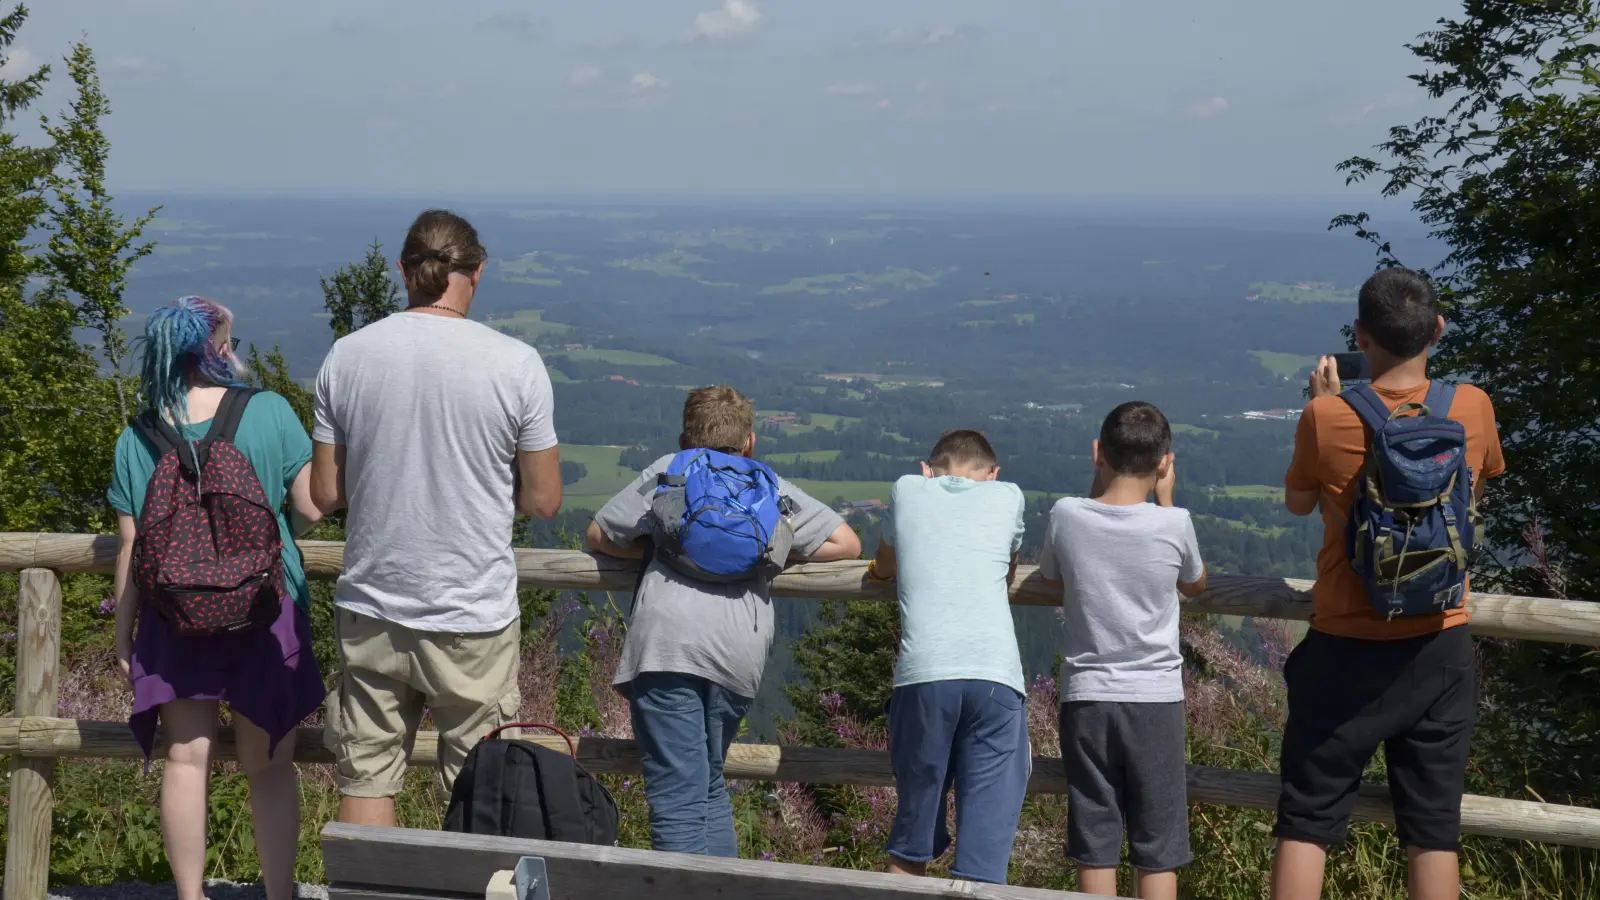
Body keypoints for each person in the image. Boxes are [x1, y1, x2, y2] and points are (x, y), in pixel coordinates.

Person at [311, 209, 563, 826]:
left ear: (404, 271)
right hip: (471, 610)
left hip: (373, 601)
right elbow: (544, 500)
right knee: (486, 784)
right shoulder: (516, 364)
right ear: (476, 273)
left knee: (367, 774)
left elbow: (325, 490)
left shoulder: (347, 356)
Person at [1272, 267, 1505, 900]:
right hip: (1440, 643)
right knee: (1433, 832)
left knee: (1307, 820)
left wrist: (1320, 405)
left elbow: (1298, 505)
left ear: (1360, 334)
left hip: (1345, 643)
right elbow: (1472, 494)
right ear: (1437, 330)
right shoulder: (1473, 406)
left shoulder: (1326, 415)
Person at [108, 296, 325, 900]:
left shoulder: (138, 435)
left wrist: (122, 633)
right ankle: (278, 894)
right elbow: (308, 508)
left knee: (184, 757)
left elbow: (131, 549)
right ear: (217, 349)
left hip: (173, 615)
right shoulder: (270, 411)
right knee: (270, 764)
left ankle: (189, 896)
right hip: (265, 607)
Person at [584, 385, 860, 857]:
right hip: (739, 650)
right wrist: (766, 558)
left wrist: (657, 549)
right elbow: (846, 544)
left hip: (669, 646)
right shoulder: (769, 486)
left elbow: (599, 534)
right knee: (709, 784)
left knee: (677, 800)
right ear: (749, 441)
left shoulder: (671, 471)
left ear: (685, 438)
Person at [1040, 401, 1207, 900]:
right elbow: (1195, 585)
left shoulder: (1066, 515)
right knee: (1158, 840)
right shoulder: (1174, 522)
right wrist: (1166, 501)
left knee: (1095, 834)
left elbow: (1050, 575)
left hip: (1086, 697)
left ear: (1099, 454)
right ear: (1163, 463)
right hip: (1155, 699)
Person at [868, 429, 1029, 885]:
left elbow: (884, 564)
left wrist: (880, 573)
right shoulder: (1009, 496)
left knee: (911, 834)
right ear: (993, 475)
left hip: (924, 677)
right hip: (997, 677)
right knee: (983, 852)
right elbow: (1009, 561)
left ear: (927, 471)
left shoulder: (906, 490)